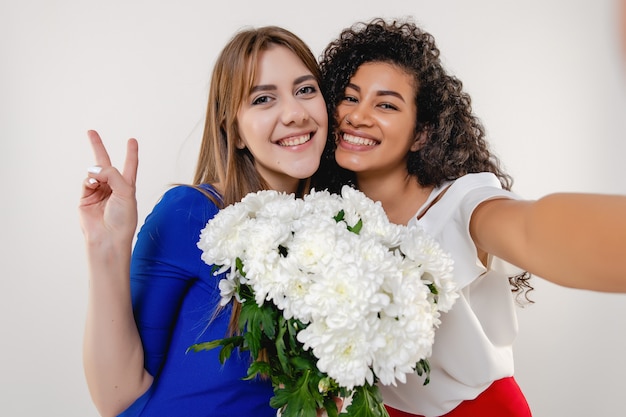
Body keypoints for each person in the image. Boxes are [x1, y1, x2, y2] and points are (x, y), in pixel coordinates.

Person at [317, 18, 626, 417]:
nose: (357, 116)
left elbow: (533, 231)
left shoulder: (461, 201)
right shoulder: (324, 214)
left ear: (421, 133)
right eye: (349, 97)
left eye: (386, 104)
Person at [79, 26, 327, 417]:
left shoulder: (333, 231)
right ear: (236, 131)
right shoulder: (188, 214)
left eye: (306, 90)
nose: (295, 113)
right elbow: (115, 398)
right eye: (264, 98)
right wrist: (104, 246)